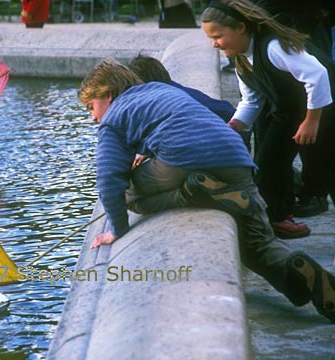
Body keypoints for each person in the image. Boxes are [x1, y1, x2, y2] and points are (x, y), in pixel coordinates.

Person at [79, 58, 335, 323]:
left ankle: (193, 192)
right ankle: (305, 276)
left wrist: (117, 230)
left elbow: (109, 179)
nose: (93, 117)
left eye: (91, 107)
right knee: (258, 245)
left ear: (108, 95)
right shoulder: (162, 90)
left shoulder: (112, 118)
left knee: (126, 193)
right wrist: (147, 152)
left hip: (185, 160)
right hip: (236, 159)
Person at [201, 0, 334, 239]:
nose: (214, 44)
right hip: (291, 111)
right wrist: (232, 127)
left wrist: (312, 121)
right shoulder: (242, 58)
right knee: (268, 164)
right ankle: (280, 217)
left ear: (241, 28)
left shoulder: (274, 46)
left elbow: (318, 75)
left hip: (324, 109)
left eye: (218, 36)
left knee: (328, 171)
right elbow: (252, 101)